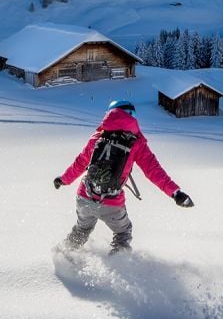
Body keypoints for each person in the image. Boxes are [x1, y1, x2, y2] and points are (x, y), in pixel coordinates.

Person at [54, 99, 194, 254]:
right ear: (132, 117)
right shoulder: (136, 143)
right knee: (123, 233)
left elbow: (80, 162)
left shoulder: (98, 137)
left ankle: (62, 255)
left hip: (85, 196)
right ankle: (119, 266)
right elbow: (154, 171)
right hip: (111, 202)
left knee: (82, 230)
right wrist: (175, 193)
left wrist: (64, 179)